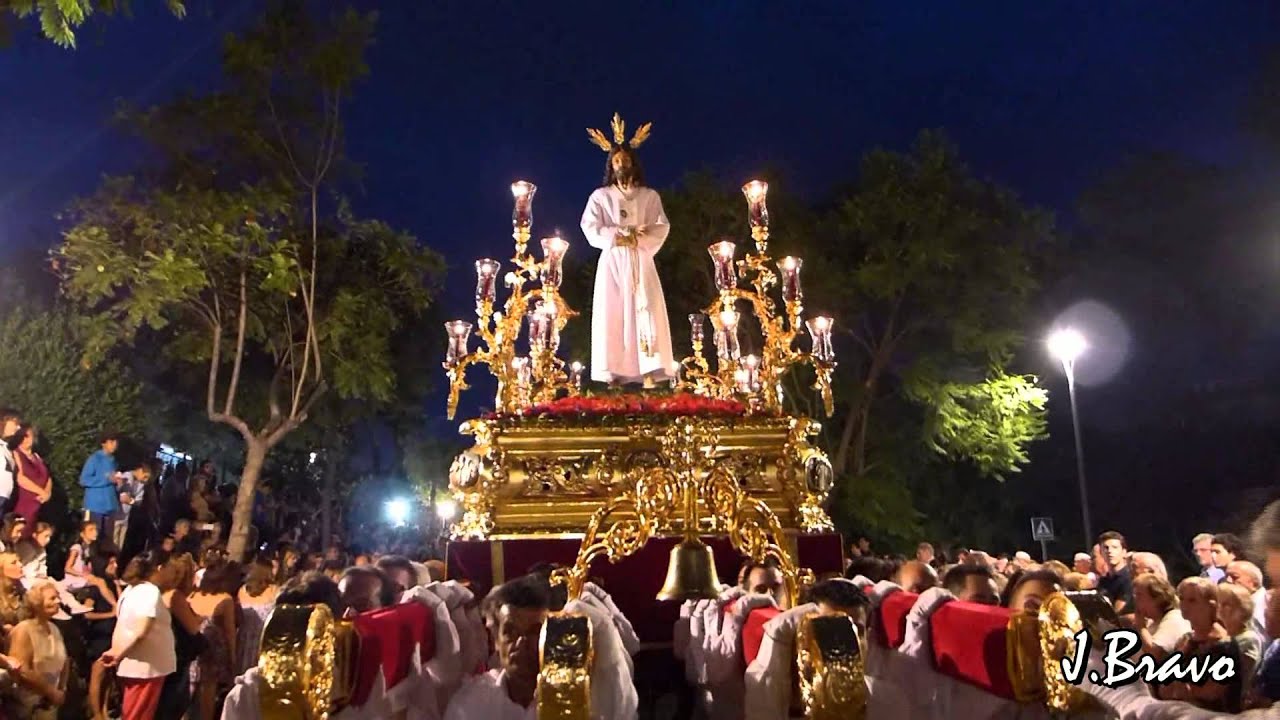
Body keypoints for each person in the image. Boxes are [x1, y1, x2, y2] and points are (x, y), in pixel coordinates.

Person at [580, 114, 674, 387]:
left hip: (641, 260)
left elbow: (661, 225)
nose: (621, 164)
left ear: (633, 162)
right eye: (616, 161)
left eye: (625, 160)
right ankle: (614, 373)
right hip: (613, 262)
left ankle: (648, 370)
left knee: (644, 310)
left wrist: (639, 240)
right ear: (612, 164)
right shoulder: (601, 196)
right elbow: (590, 226)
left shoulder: (649, 196)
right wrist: (618, 237)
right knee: (614, 312)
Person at [101, 552, 178, 720]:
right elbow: (141, 630)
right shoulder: (149, 592)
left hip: (140, 664)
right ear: (160, 568)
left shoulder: (130, 590)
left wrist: (117, 652)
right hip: (145, 667)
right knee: (137, 715)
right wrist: (118, 654)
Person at [7, 581, 68, 718]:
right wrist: (50, 692)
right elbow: (21, 670)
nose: (58, 601)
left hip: (51, 704)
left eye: (58, 597)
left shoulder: (54, 628)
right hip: (28, 706)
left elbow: (64, 661)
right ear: (36, 602)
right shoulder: (24, 630)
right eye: (52, 598)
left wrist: (61, 689)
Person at [80, 432, 123, 539]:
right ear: (103, 443)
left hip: (109, 507)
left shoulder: (114, 461)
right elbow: (84, 480)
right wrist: (106, 479)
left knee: (106, 541)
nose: (114, 444)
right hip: (94, 507)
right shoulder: (94, 459)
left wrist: (118, 483)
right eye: (111, 442)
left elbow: (112, 482)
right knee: (92, 539)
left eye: (116, 442)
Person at [10, 424, 51, 535]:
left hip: (39, 505)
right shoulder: (16, 453)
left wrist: (47, 492)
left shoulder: (37, 457)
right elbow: (20, 477)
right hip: (24, 504)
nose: (25, 440)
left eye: (28, 436)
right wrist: (41, 491)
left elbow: (48, 477)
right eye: (22, 436)